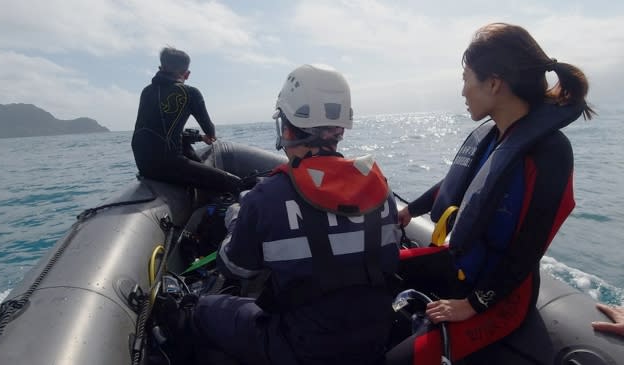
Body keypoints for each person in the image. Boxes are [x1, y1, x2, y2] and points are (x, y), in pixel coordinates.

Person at [386, 22, 594, 364]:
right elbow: (463, 183)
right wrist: (412, 210)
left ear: (494, 83)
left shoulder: (549, 153)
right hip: (463, 268)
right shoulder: (496, 136)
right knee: (376, 271)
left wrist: (472, 306)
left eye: (466, 80)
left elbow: (529, 248)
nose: (463, 91)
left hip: (502, 299)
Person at [191, 64, 401, 364]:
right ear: (340, 129)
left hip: (300, 350)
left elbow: (234, 269)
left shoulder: (265, 197)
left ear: (287, 128)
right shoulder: (381, 190)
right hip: (373, 341)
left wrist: (236, 219)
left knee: (202, 310)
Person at [131, 46, 241, 192]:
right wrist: (208, 136)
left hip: (144, 167)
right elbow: (210, 130)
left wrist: (200, 138)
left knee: (184, 147)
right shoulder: (189, 92)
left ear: (160, 67)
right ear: (187, 74)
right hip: (171, 166)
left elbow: (161, 133)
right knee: (235, 182)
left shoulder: (146, 92)